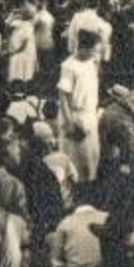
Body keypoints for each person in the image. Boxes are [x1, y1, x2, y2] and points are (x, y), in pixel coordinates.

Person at [58, 31, 103, 186]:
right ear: (83, 48)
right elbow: (63, 96)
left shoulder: (93, 61)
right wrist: (70, 122)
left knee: (91, 158)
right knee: (74, 159)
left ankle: (89, 188)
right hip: (75, 116)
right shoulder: (69, 66)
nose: (97, 53)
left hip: (90, 115)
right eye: (94, 50)